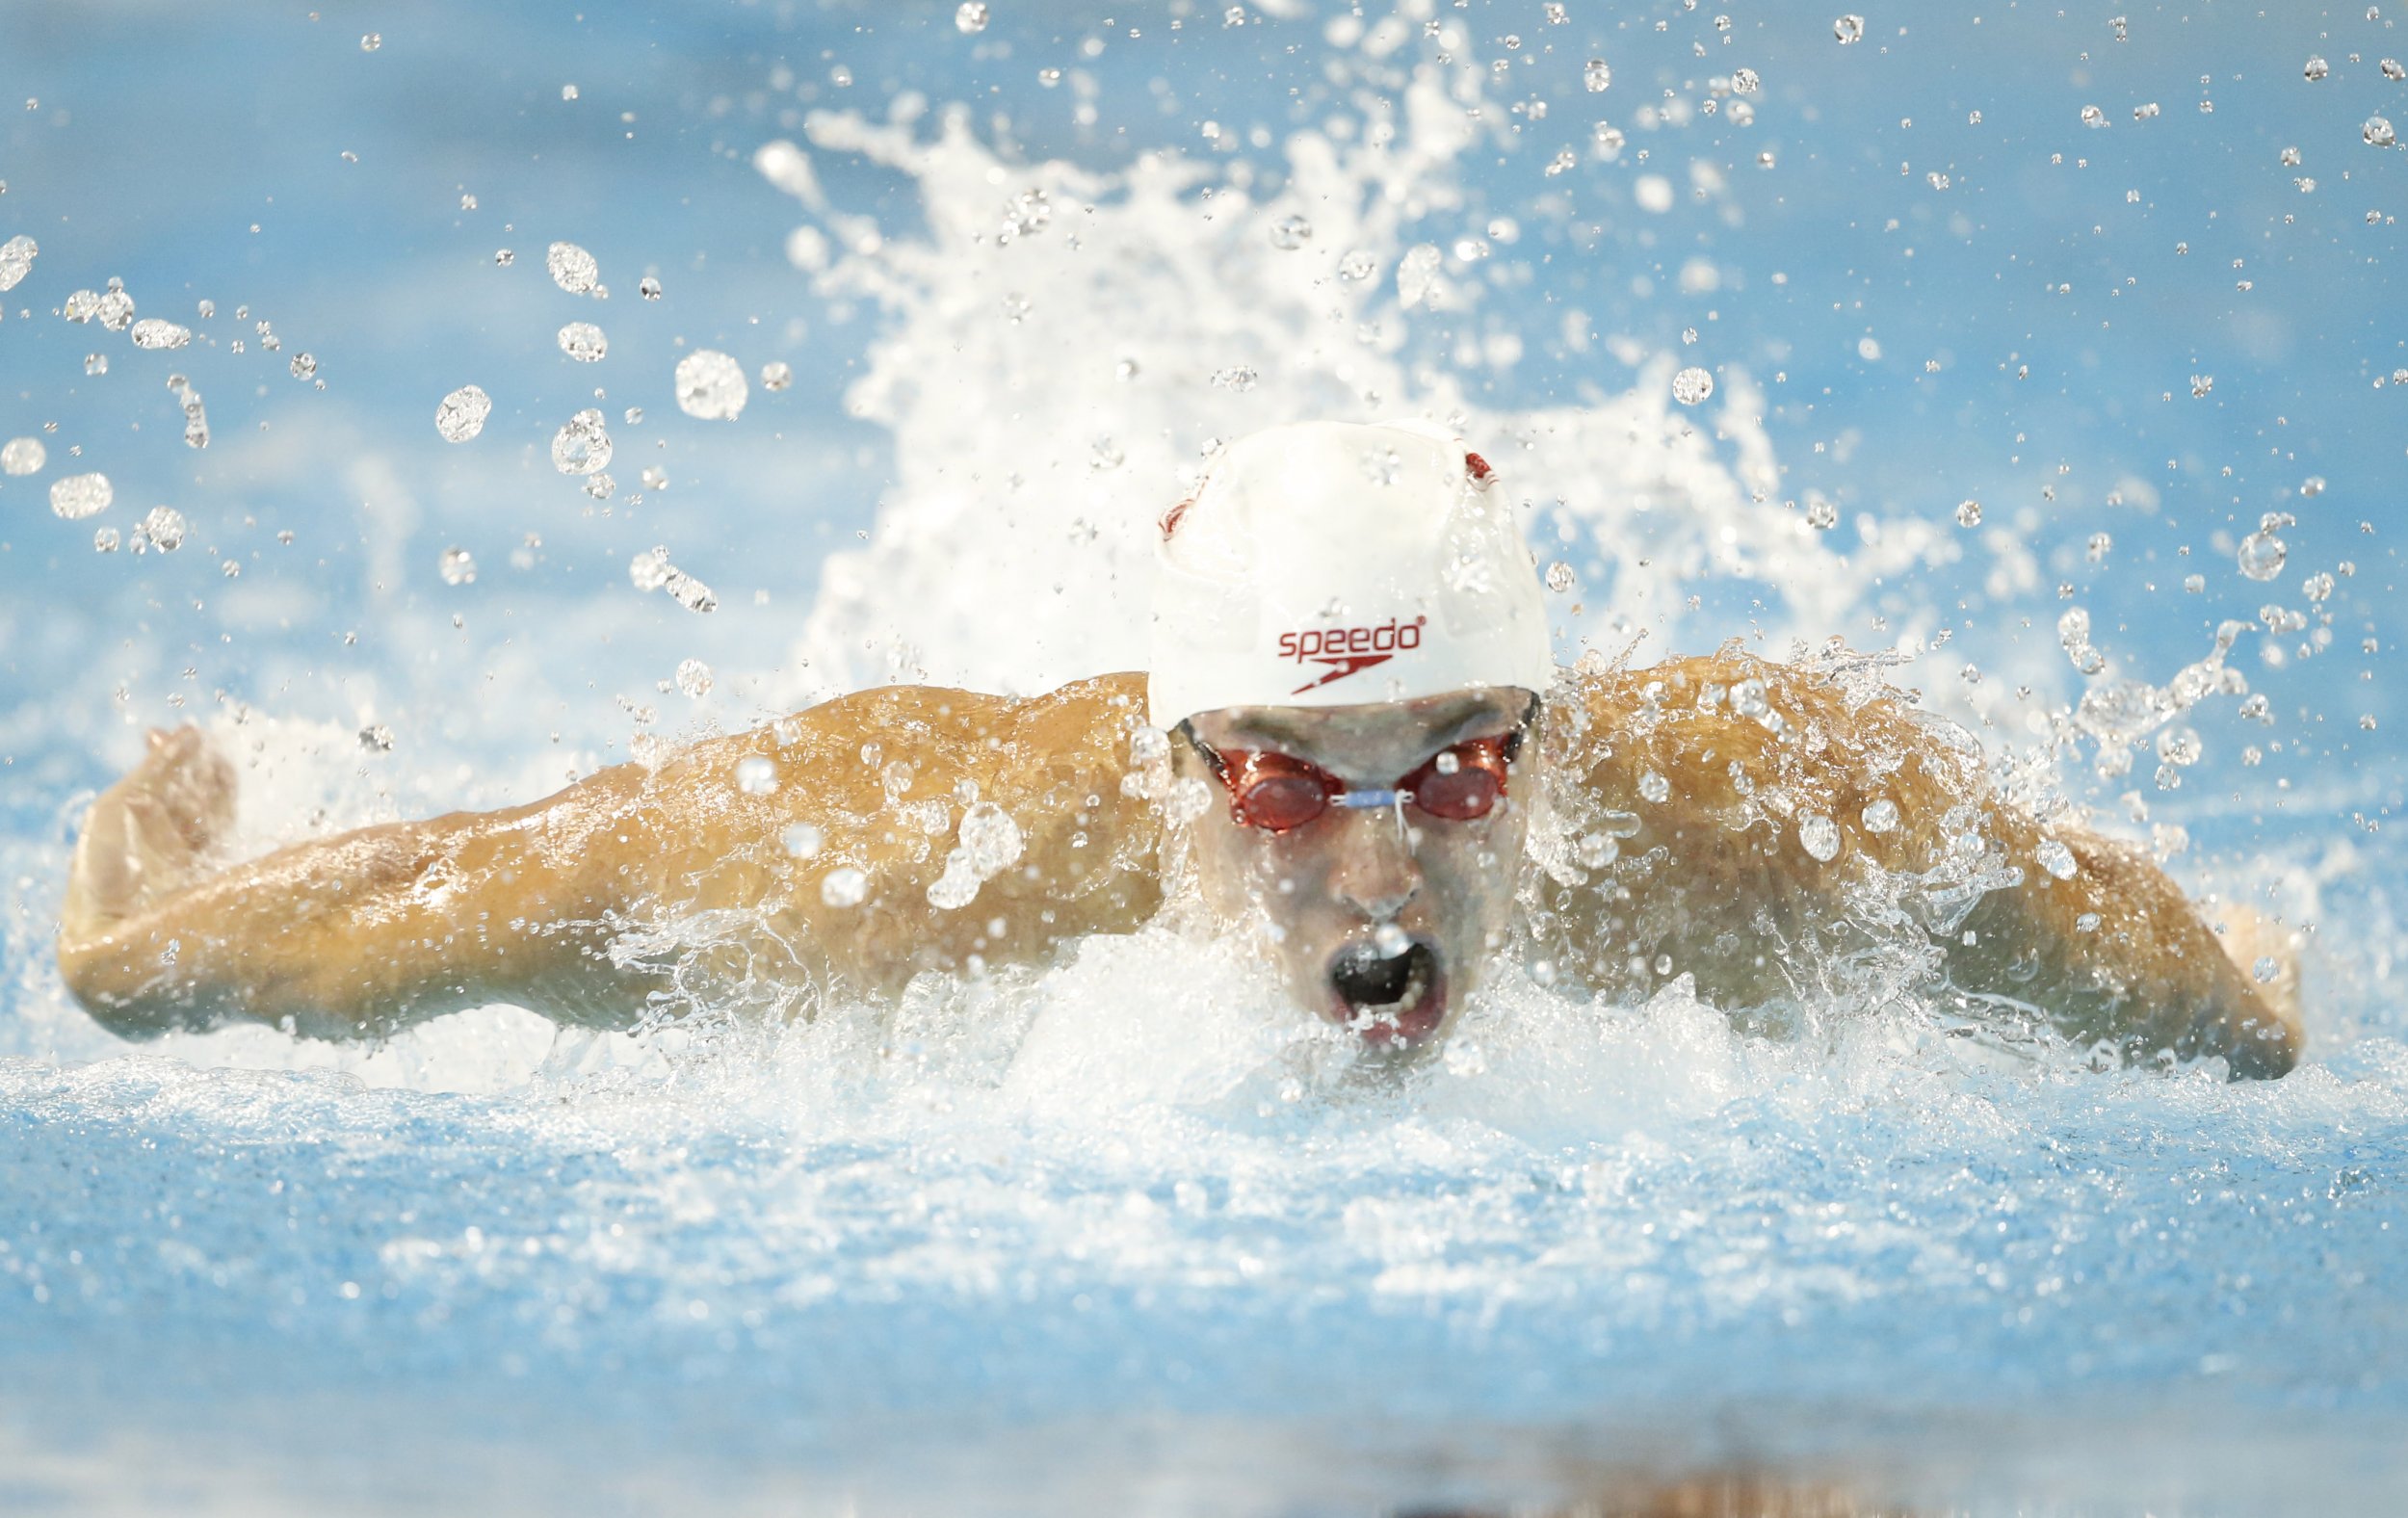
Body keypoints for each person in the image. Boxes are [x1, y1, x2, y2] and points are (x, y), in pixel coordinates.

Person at [53, 421, 2303, 1077]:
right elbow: (445, 901)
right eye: (1278, 777)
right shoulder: (905, 851)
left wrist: (2253, 1005)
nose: (1375, 869)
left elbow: (2190, 988)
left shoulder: (1778, 820)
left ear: (1549, 734)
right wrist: (145, 924)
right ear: (1168, 763)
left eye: (1451, 769)